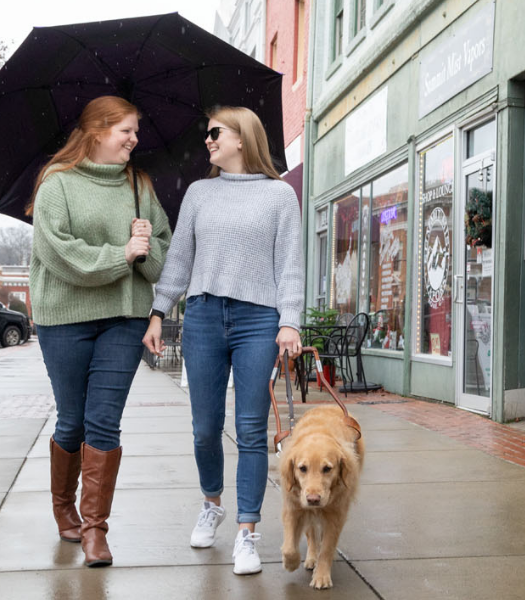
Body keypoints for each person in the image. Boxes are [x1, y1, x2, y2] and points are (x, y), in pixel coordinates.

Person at [143, 106, 304, 576]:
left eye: (216, 132)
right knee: (204, 427)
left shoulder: (279, 196)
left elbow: (290, 264)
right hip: (205, 317)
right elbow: (178, 262)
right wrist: (158, 311)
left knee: (252, 430)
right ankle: (211, 503)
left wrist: (289, 320)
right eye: (208, 133)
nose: (208, 140)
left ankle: (247, 533)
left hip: (259, 320)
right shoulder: (199, 193)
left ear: (242, 138)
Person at [28, 95, 171, 568]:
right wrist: (120, 254)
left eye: (136, 130)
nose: (134, 139)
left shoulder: (139, 185)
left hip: (124, 317)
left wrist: (145, 247)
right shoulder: (57, 183)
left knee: (104, 420)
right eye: (125, 130)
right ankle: (63, 509)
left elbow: (166, 256)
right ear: (96, 132)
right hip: (64, 318)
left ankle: (95, 531)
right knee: (73, 420)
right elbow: (58, 254)